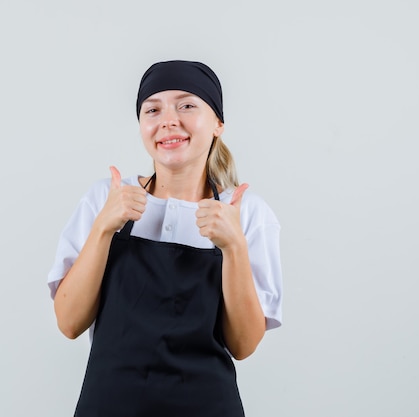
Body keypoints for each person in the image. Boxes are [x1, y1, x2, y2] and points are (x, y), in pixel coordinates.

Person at [47, 60, 283, 416]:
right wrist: (103, 229)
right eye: (153, 109)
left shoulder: (246, 213)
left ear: (218, 123)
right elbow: (68, 322)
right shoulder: (105, 200)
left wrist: (234, 247)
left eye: (187, 105)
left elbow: (244, 344)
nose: (168, 120)